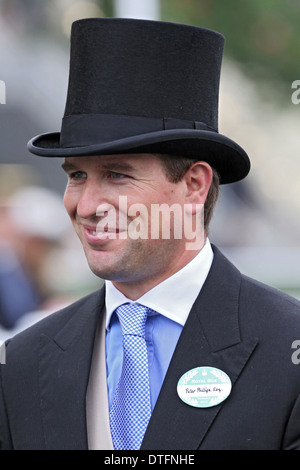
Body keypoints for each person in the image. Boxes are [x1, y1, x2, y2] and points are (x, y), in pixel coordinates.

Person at [1, 18, 300, 451]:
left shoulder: (286, 352)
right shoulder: (24, 363)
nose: (85, 206)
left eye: (118, 175)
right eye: (78, 175)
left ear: (194, 184)